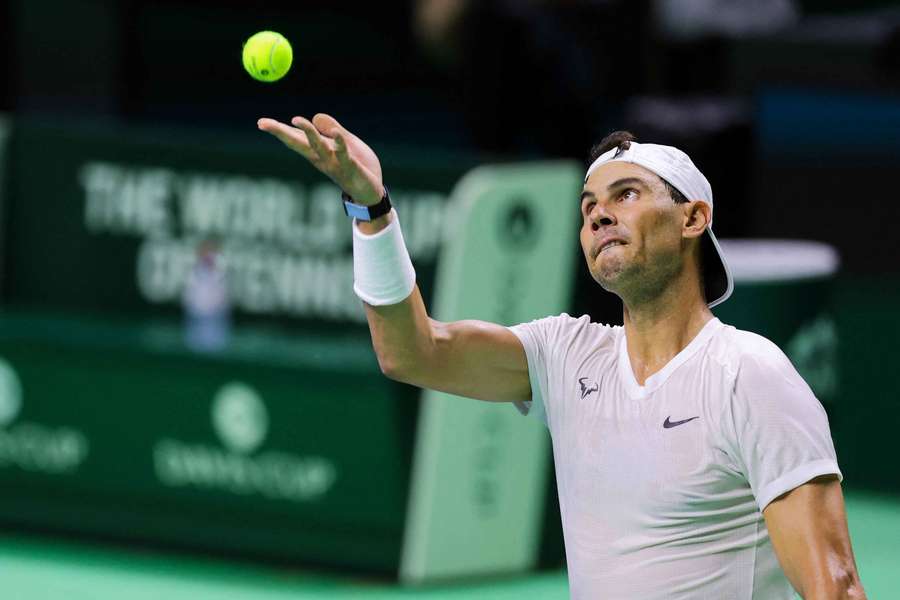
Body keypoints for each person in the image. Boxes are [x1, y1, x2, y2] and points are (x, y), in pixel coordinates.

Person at [257, 113, 867, 599]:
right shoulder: (567, 354)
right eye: (588, 206)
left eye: (626, 194)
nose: (599, 212)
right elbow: (413, 352)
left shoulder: (747, 374)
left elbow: (833, 587)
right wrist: (371, 208)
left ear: (693, 218)